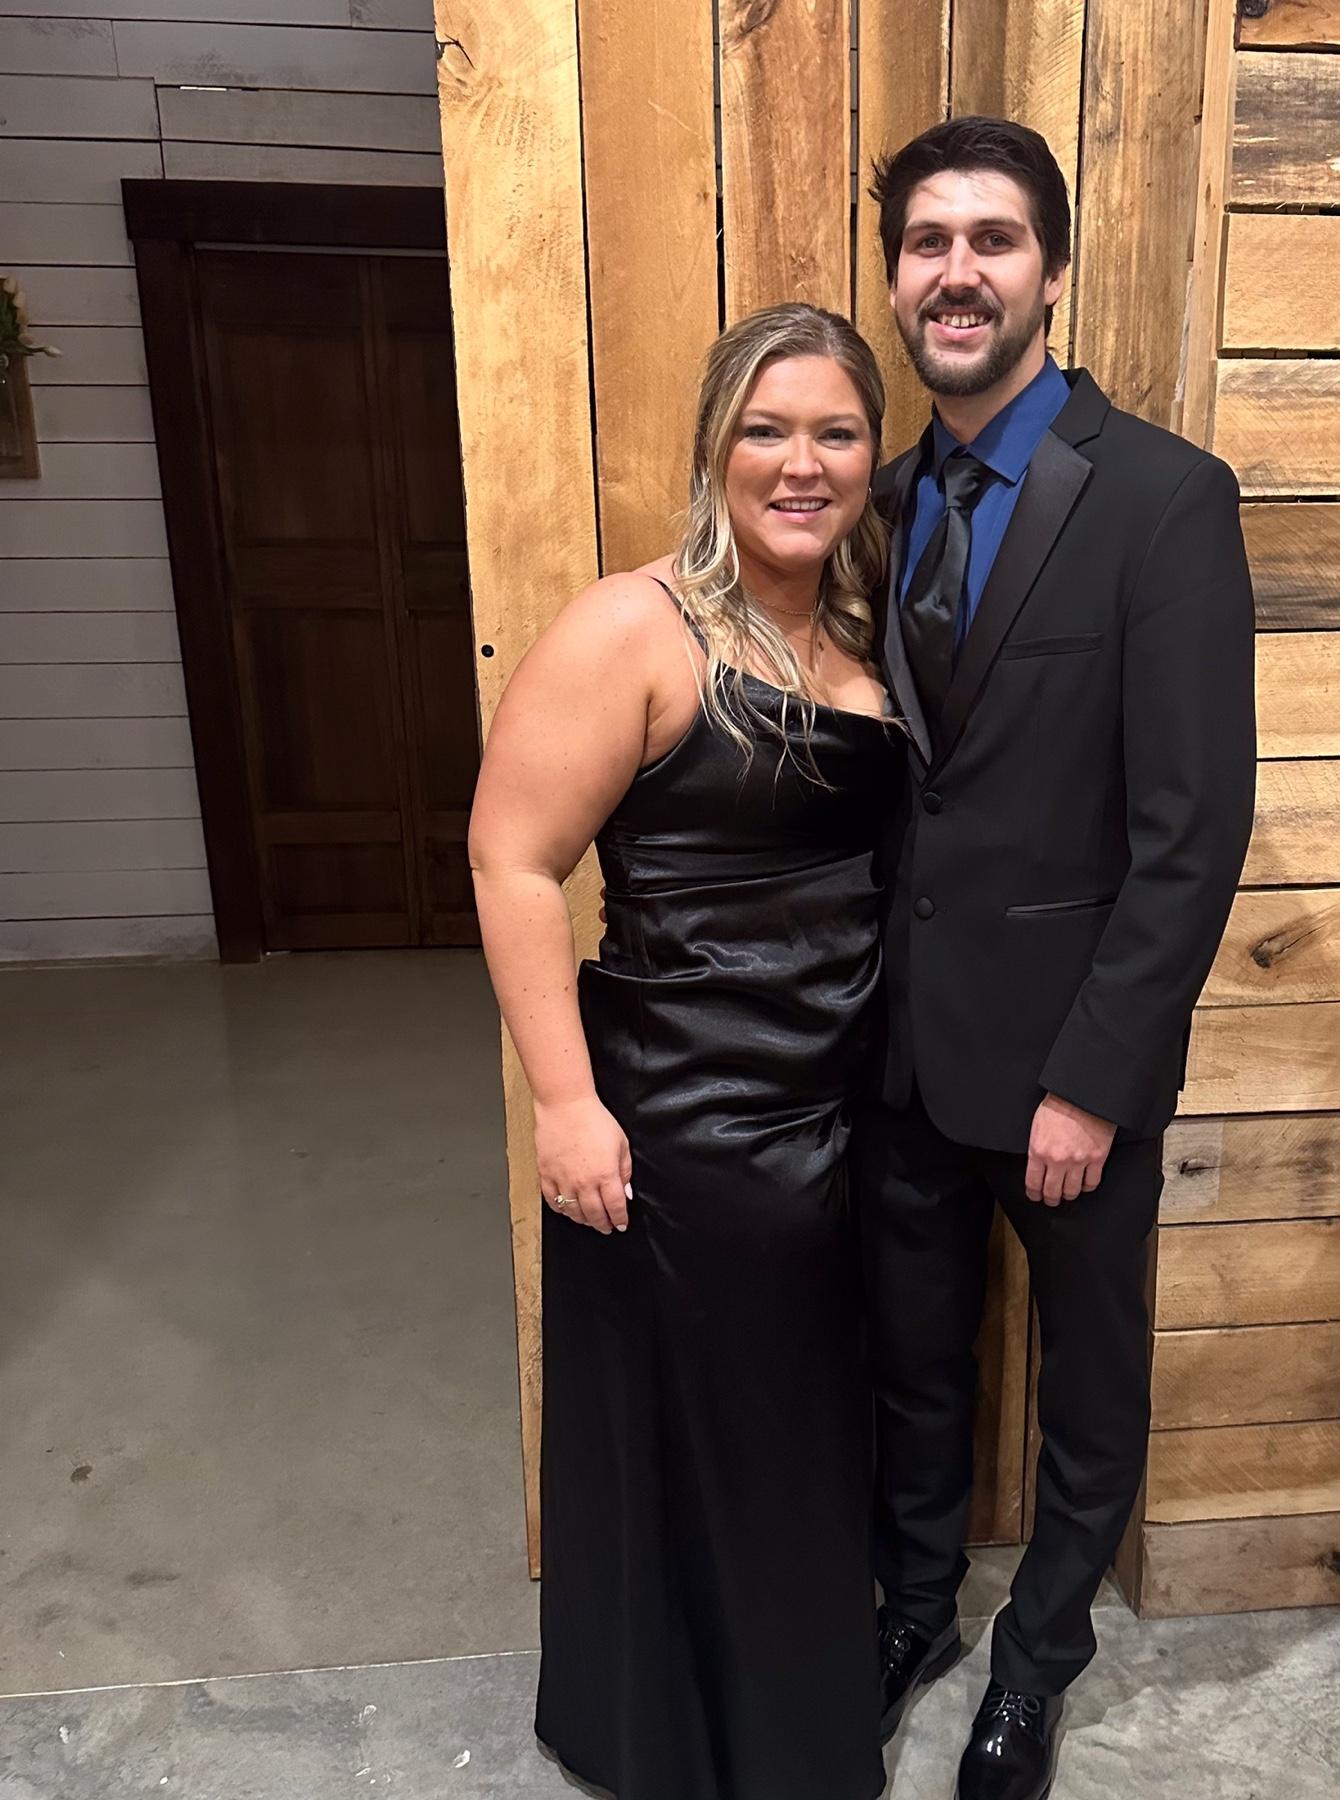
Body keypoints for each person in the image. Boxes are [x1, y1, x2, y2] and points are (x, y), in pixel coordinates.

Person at [857, 117, 1258, 1800]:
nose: (957, 272)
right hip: (896, 1055)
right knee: (910, 1364)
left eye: (995, 239)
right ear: (896, 278)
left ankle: (1035, 1668)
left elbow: (1193, 830)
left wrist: (1095, 1078)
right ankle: (912, 1612)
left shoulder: (1164, 498)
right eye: (927, 241)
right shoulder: (873, 503)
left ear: (1052, 272)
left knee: (1088, 1389)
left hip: (1071, 1064)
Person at [467, 303, 904, 1800]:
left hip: (840, 1108)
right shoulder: (632, 627)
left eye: (836, 431)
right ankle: (693, 1745)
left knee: (795, 1444)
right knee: (717, 1447)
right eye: (766, 430)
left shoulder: (864, 627)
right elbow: (513, 860)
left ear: (873, 454)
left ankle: (786, 1726)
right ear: (717, 448)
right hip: (685, 1118)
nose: (802, 463)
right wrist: (564, 1104)